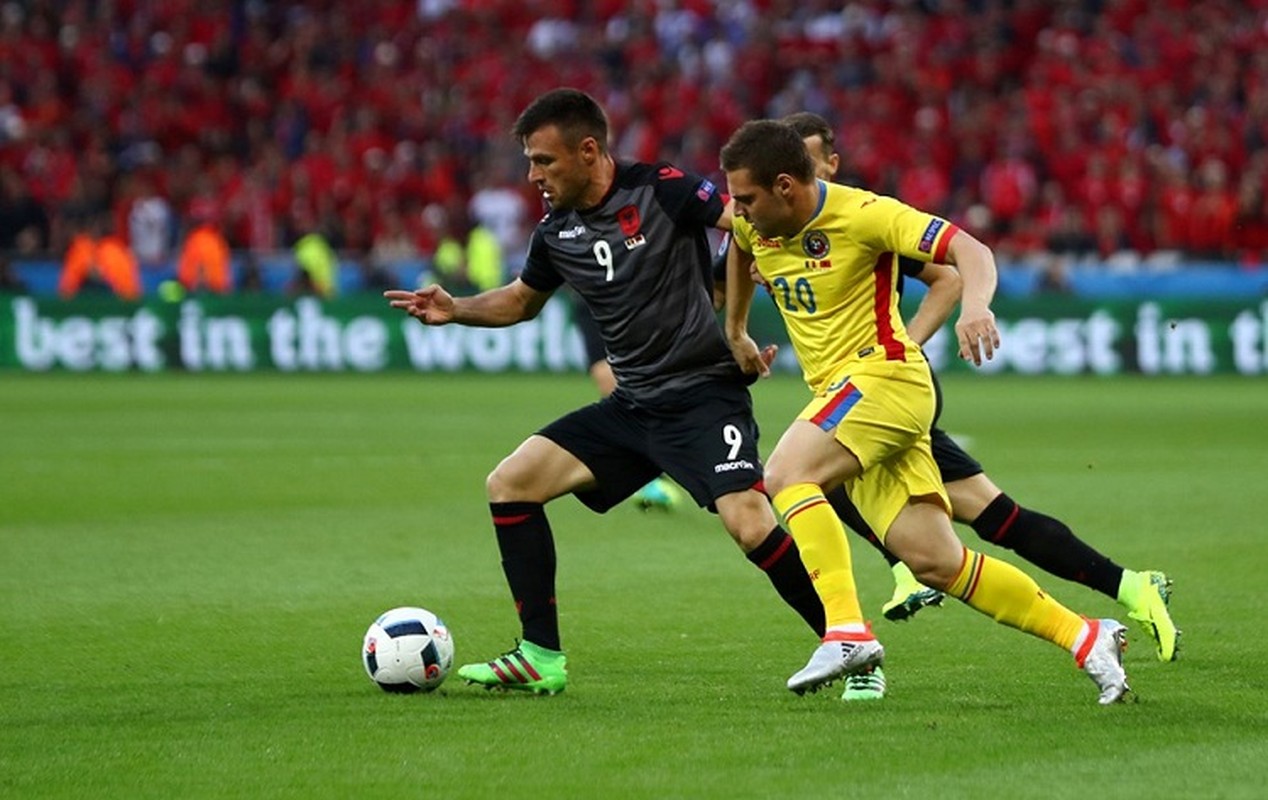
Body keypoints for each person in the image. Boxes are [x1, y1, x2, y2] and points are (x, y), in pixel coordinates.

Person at [384, 89, 832, 695]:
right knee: (510, 483)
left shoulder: (663, 189)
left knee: (749, 522)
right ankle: (540, 655)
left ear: (588, 150)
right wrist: (456, 308)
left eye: (544, 161)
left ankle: (845, 639)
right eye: (530, 161)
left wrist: (744, 308)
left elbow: (748, 221)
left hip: (703, 397)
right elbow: (521, 300)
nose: (532, 175)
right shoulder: (555, 232)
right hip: (631, 408)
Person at [720, 119, 1132, 704]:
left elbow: (971, 249)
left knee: (787, 474)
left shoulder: (866, 214)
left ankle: (845, 631)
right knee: (938, 562)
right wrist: (735, 329)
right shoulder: (750, 222)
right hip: (846, 395)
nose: (738, 211)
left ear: (786, 186)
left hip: (885, 377)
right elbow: (738, 249)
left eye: (747, 198)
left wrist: (976, 307)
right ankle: (1086, 635)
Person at [571, 295, 685, 511]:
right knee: (607, 378)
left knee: (646, 384)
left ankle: (655, 466)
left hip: (633, 297)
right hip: (592, 298)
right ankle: (649, 472)